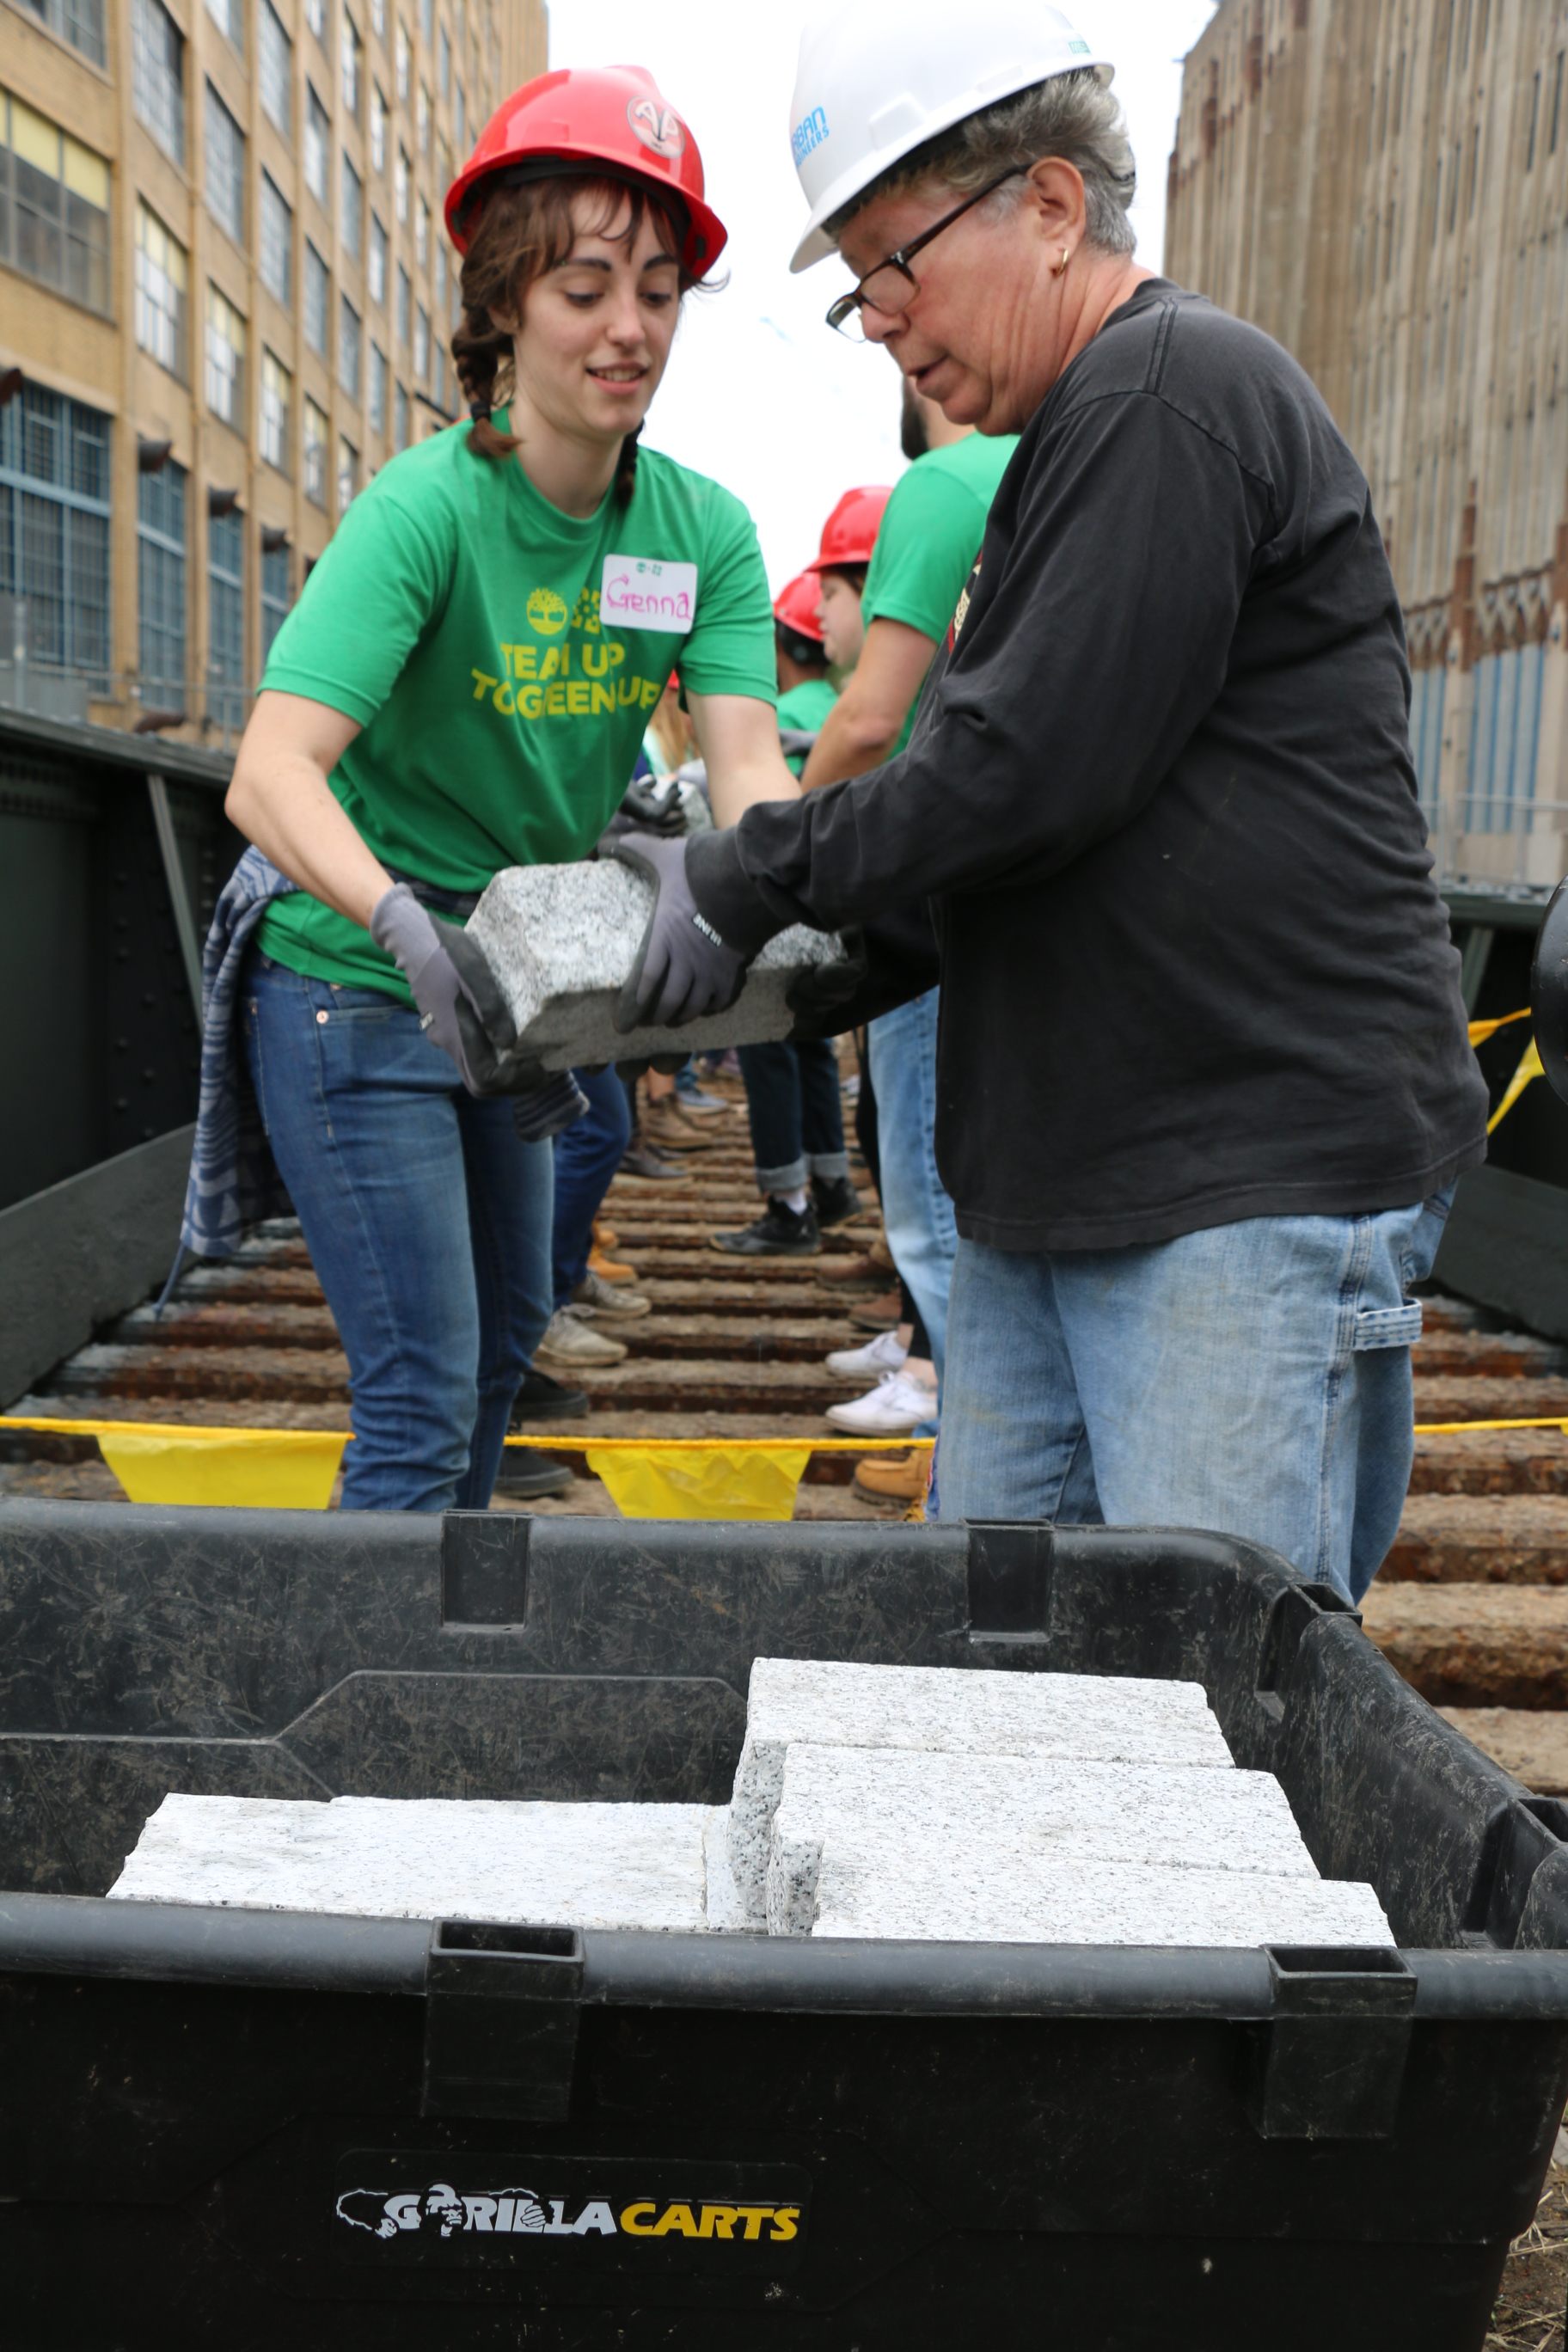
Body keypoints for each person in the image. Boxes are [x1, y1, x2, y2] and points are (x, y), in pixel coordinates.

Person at [610, 1, 1489, 1603]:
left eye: (892, 260)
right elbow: (1015, 845)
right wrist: (651, 1009)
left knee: (1207, 1714)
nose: (875, 316)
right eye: (857, 285)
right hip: (1067, 1179)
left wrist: (745, 876)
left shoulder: (1166, 397)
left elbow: (1021, 773)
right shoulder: (1068, 450)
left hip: (1237, 1175)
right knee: (1006, 1677)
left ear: (1049, 204)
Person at [219, 64, 795, 1513]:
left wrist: (715, 876)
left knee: (496, 1365)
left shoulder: (699, 531)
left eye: (658, 291)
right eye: (584, 287)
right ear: (503, 305)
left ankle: (435, 1685)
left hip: (526, 994)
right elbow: (269, 770)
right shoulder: (427, 509)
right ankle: (360, 1726)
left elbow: (744, 766)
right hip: (357, 982)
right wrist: (405, 922)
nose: (628, 329)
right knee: (417, 1398)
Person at [804, 385, 1020, 1482]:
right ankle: (969, 1410)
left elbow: (869, 719)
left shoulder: (945, 485)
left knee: (929, 1180)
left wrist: (771, 864)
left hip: (930, 900)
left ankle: (948, 1418)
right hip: (1028, 903)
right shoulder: (1078, 462)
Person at [713, 564, 861, 1258]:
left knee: (766, 1042)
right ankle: (830, 1184)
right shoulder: (836, 703)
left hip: (778, 895)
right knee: (810, 1043)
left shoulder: (781, 718)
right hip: (833, 904)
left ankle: (787, 1204)